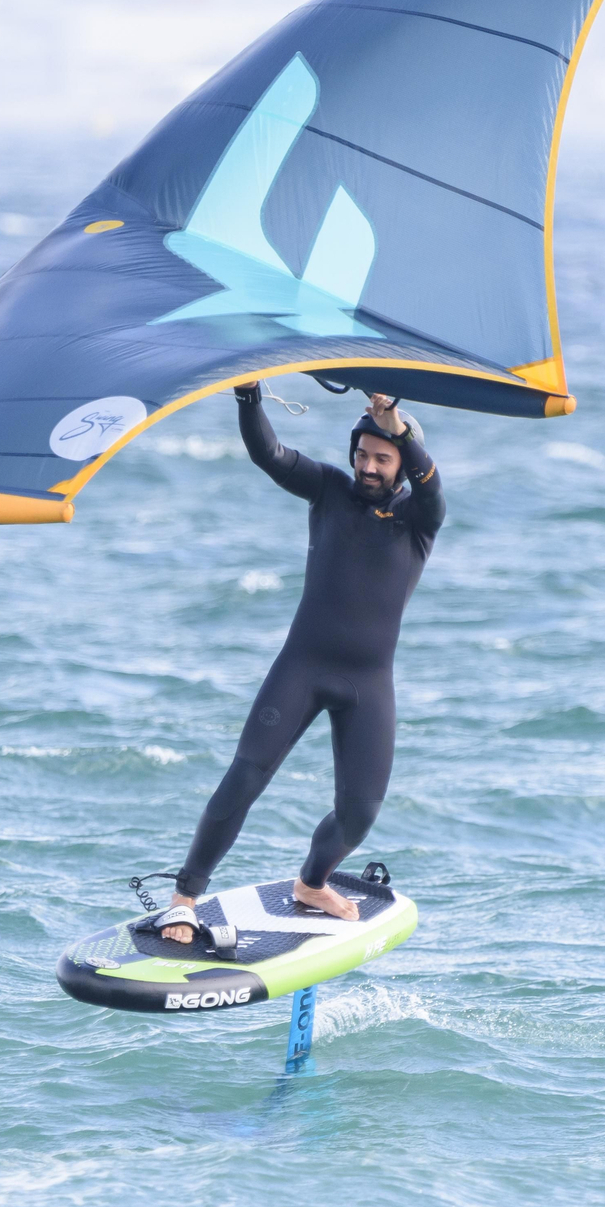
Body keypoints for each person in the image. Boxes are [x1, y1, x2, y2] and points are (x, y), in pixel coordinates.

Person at [152, 384, 445, 943]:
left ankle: (312, 883)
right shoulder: (330, 491)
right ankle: (184, 897)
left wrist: (397, 424)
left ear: (404, 464)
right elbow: (271, 455)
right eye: (362, 454)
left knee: (359, 814)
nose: (367, 466)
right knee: (244, 778)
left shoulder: (418, 520)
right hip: (303, 668)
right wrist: (247, 397)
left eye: (382, 458)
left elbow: (435, 491)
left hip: (367, 684)